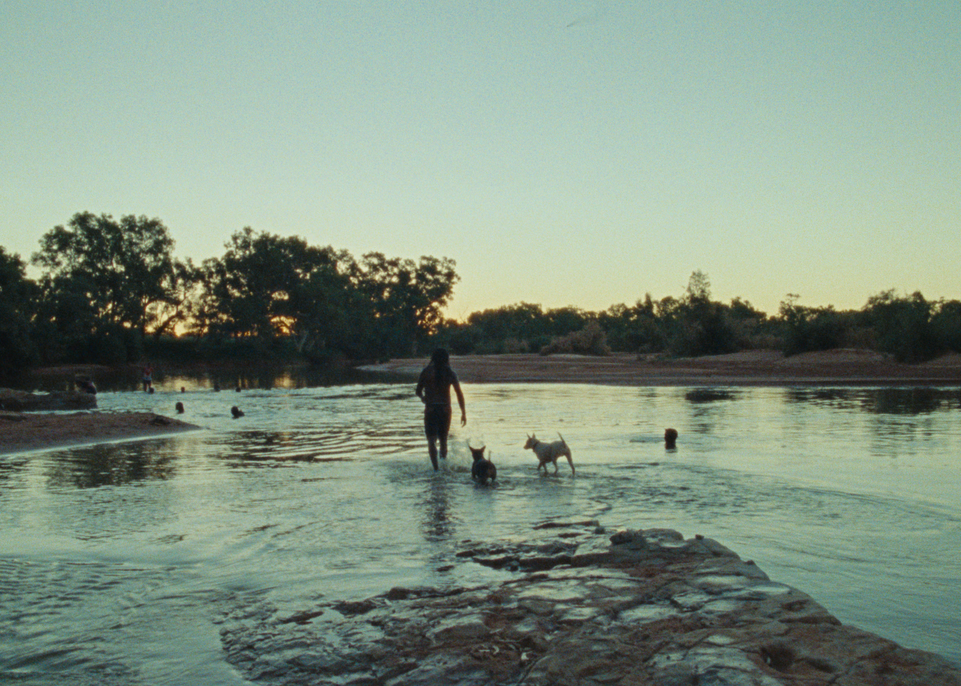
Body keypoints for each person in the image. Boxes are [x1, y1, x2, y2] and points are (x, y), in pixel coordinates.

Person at [415, 348, 466, 471]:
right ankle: (443, 467)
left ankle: (436, 469)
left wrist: (423, 398)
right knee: (443, 441)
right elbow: (459, 394)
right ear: (446, 359)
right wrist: (463, 412)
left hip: (431, 408)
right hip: (445, 409)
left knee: (431, 440)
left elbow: (418, 391)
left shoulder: (426, 372)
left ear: (433, 358)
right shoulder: (450, 373)